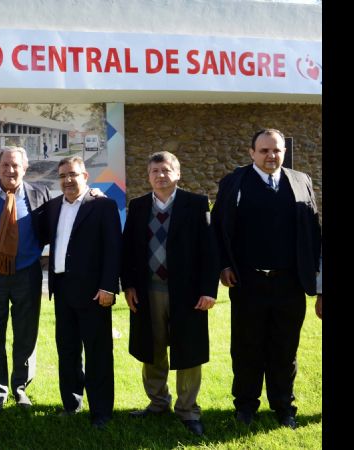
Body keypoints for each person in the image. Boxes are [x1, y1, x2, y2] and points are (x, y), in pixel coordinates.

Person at [211, 128, 321, 429]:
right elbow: (218, 228)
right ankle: (245, 406)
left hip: (290, 283)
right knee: (246, 347)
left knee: (285, 349)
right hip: (248, 283)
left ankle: (284, 407)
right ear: (251, 153)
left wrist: (319, 284)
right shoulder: (234, 183)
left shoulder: (301, 181)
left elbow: (314, 232)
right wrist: (223, 266)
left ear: (284, 152)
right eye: (264, 150)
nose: (271, 156)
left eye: (276, 151)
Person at [120, 151, 219, 437]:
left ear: (177, 173)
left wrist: (207, 290)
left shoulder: (196, 204)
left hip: (186, 294)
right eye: (155, 171)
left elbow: (209, 251)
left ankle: (188, 410)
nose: (160, 175)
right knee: (151, 349)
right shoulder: (137, 207)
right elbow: (128, 251)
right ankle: (158, 402)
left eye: (166, 170)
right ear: (148, 176)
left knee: (188, 350)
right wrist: (128, 285)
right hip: (147, 291)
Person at [36, 157, 121, 428]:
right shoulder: (51, 207)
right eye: (62, 176)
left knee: (98, 353)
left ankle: (101, 412)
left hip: (95, 293)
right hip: (62, 291)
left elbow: (113, 249)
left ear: (85, 175)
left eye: (72, 174)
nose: (67, 180)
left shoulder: (103, 205)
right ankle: (71, 404)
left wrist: (108, 286)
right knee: (68, 351)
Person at [0, 147, 51, 415]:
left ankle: (20, 388)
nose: (10, 170)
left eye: (15, 165)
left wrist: (94, 196)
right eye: (5, 165)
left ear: (25, 168)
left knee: (25, 335)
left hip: (27, 273)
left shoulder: (40, 194)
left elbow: (58, 220)